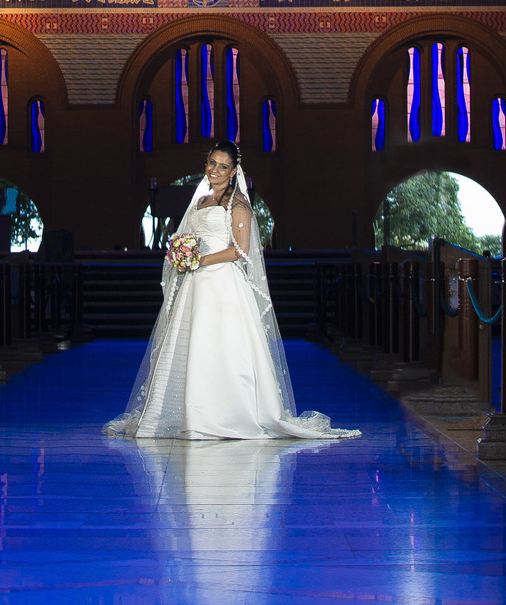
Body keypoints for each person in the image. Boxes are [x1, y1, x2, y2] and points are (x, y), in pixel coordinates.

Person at [104, 143, 360, 442]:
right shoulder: (200, 201)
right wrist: (181, 253)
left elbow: (240, 250)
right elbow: (190, 237)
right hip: (195, 283)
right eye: (212, 163)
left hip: (222, 282)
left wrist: (200, 260)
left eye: (222, 166)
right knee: (193, 342)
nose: (214, 170)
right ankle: (189, 412)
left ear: (234, 171)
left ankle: (225, 415)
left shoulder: (238, 204)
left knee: (221, 345)